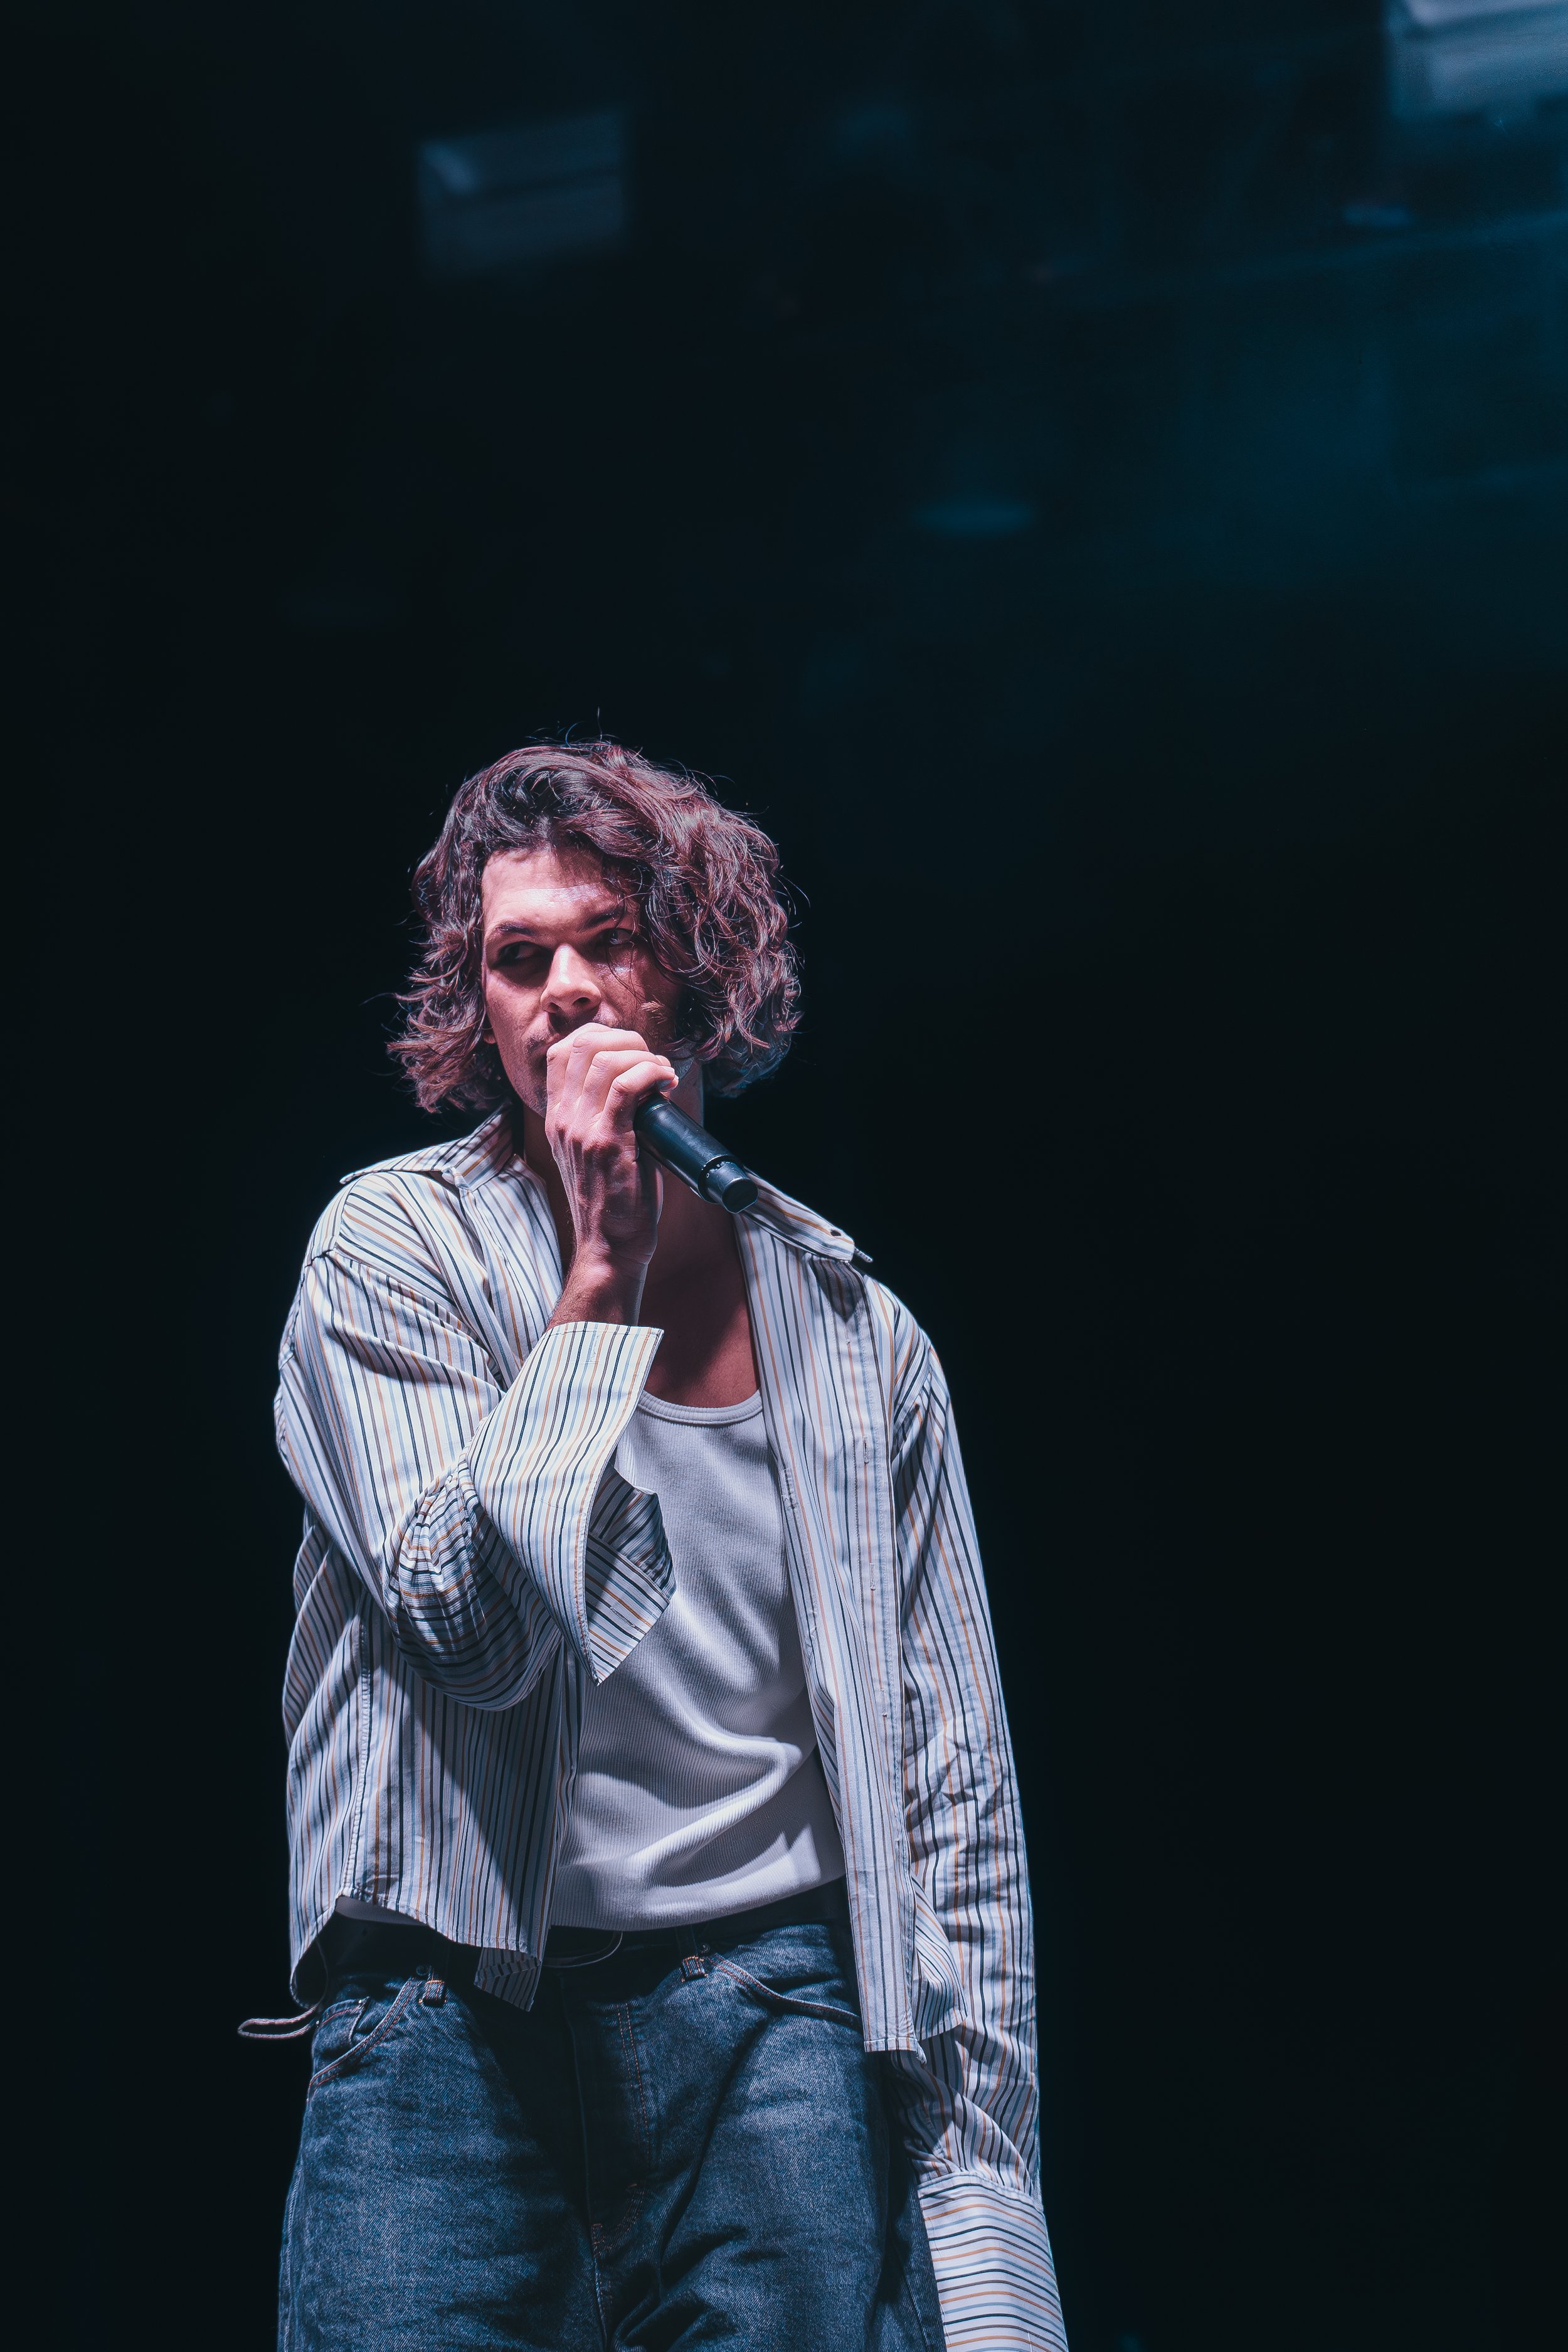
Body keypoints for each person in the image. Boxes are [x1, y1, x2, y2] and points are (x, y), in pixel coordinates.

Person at [264, 741, 1067, 2351]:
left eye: (606, 939)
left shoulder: (858, 1335)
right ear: (479, 1008)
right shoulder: (387, 1253)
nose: (560, 991)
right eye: (516, 957)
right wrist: (598, 1286)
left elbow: (952, 1795)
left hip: (771, 2022)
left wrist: (987, 2253)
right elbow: (473, 1633)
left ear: (698, 976)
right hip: (443, 2024)